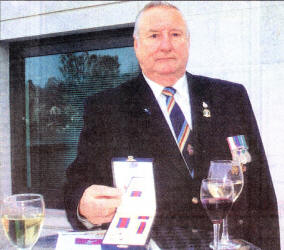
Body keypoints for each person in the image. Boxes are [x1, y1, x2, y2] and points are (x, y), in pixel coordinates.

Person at [64, 2, 280, 249]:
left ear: (187, 42)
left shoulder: (230, 96)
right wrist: (83, 205)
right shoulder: (106, 108)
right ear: (136, 45)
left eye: (175, 35)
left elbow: (261, 190)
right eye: (154, 35)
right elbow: (77, 184)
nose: (165, 45)